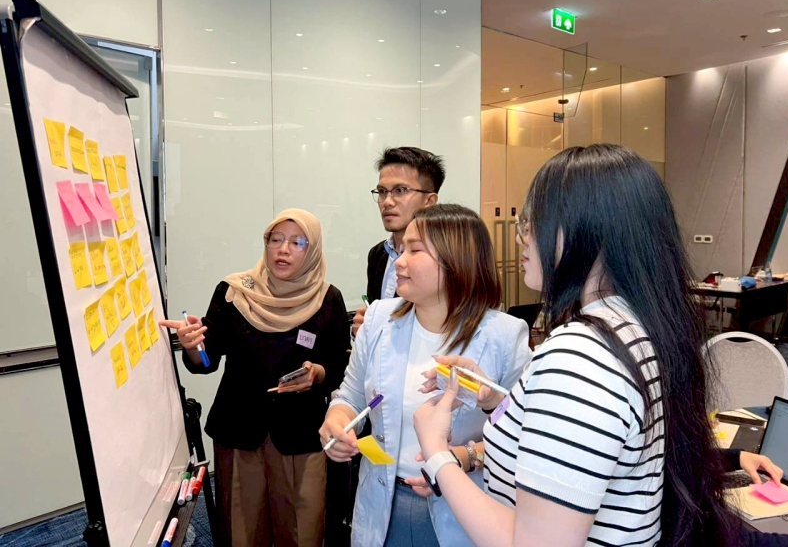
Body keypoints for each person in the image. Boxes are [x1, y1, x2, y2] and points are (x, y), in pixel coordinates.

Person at [413, 144, 742, 546]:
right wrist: (497, 400)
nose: (521, 237)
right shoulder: (633, 327)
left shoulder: (579, 356)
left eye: (531, 222)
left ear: (584, 229)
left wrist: (437, 452)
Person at [320, 204, 531, 547]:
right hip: (382, 505)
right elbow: (351, 396)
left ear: (455, 261)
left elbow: (523, 434)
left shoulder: (504, 336)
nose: (399, 261)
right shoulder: (378, 320)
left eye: (414, 250)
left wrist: (464, 457)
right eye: (401, 249)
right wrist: (337, 420)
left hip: (464, 513)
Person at [160, 209, 350, 547]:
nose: (283, 249)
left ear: (313, 250)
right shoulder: (235, 292)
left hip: (301, 432)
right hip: (239, 429)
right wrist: (193, 346)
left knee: (302, 529)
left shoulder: (327, 298)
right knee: (242, 532)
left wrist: (317, 374)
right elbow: (206, 360)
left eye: (297, 242)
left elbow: (339, 364)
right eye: (275, 239)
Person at [352, 146, 445, 335]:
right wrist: (364, 330)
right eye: (382, 191)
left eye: (400, 190)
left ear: (429, 201)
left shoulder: (444, 258)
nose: (387, 201)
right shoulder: (377, 254)